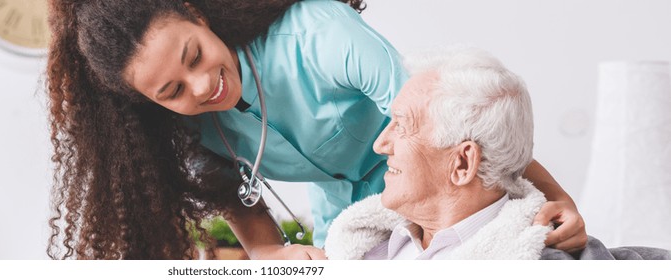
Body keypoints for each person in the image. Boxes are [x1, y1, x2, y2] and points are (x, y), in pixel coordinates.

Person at [44, 0, 586, 259]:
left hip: (439, 186)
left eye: (194, 56)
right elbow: (233, 195)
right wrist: (271, 254)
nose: (202, 85)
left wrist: (556, 196)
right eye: (172, 92)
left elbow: (456, 119)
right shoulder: (197, 132)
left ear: (198, 15)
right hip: (348, 219)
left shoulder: (322, 36)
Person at [324, 46, 671, 260]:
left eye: (401, 125)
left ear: (461, 163)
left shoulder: (551, 262)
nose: (380, 145)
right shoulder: (356, 244)